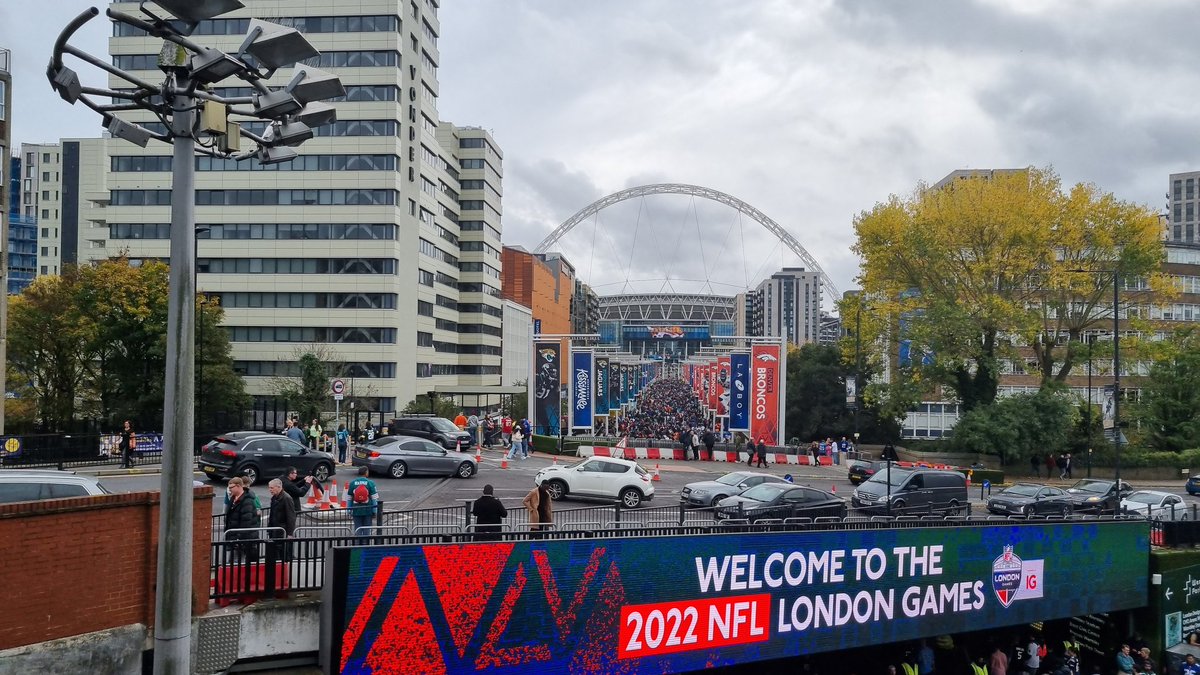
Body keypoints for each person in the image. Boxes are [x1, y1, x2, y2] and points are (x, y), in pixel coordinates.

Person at [225, 477, 261, 563]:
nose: (229, 490)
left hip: (243, 538)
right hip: (236, 537)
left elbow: (246, 522)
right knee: (234, 562)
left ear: (238, 486)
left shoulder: (247, 501)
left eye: (231, 488)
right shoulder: (234, 498)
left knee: (236, 563)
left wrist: (238, 538)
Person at [266, 478, 297, 564]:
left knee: (282, 553)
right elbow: (272, 515)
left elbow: (291, 516)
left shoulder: (286, 498)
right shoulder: (274, 498)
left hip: (282, 531)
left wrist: (290, 534)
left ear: (279, 487)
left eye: (272, 488)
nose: (270, 490)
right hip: (275, 530)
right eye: (269, 488)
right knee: (275, 552)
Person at [347, 466, 379, 541]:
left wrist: (349, 510)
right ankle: (365, 545)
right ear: (366, 473)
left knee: (357, 528)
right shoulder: (370, 483)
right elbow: (374, 498)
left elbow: (349, 498)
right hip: (367, 509)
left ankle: (357, 547)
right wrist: (375, 511)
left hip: (356, 510)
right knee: (367, 529)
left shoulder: (352, 483)